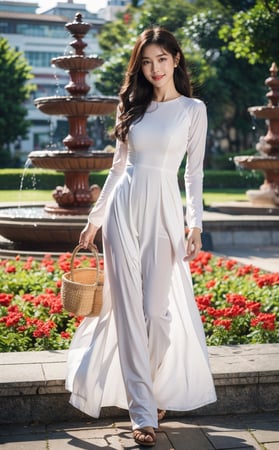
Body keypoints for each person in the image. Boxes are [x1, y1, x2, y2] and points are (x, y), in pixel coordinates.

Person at [66, 26, 216, 447]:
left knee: (159, 314)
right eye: (147, 62)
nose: (154, 69)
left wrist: (195, 223)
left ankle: (146, 392)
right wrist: (96, 218)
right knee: (131, 314)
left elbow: (193, 173)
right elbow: (117, 168)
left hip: (165, 211)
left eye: (162, 60)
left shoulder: (193, 109)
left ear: (176, 59)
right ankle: (143, 413)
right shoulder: (129, 106)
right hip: (122, 211)